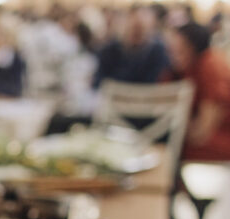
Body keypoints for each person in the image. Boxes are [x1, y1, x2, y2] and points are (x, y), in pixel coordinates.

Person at [166, 21, 230, 161]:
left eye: (180, 51)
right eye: (172, 51)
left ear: (193, 47)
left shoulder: (210, 65)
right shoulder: (188, 68)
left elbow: (202, 132)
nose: (174, 57)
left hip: (218, 144)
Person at [94, 5, 170, 86]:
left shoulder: (158, 51)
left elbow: (158, 80)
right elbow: (99, 80)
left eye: (140, 29)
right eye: (134, 28)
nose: (136, 33)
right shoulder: (110, 50)